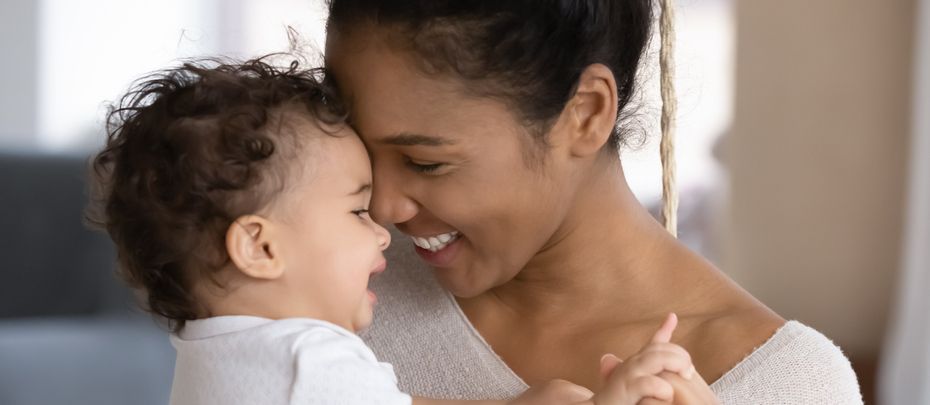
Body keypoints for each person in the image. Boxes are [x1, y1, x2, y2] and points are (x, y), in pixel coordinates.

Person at [323, 0, 864, 403]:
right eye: (361, 149)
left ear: (585, 113)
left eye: (425, 163)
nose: (382, 208)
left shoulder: (785, 384)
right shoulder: (320, 282)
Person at [88, 57, 700, 405]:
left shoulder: (219, 356)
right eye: (356, 210)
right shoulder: (306, 357)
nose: (384, 223)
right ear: (260, 245)